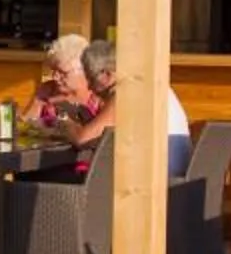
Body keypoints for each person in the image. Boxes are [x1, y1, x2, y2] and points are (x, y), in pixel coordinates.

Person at [68, 38, 191, 178]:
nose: (89, 87)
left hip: (160, 178)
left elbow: (82, 139)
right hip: (173, 169)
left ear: (107, 74)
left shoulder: (127, 90)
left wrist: (65, 124)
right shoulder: (147, 84)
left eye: (91, 78)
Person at [29, 33, 94, 133]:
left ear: (85, 70)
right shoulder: (47, 91)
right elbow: (26, 127)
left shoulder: (99, 96)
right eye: (53, 70)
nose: (55, 77)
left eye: (63, 72)